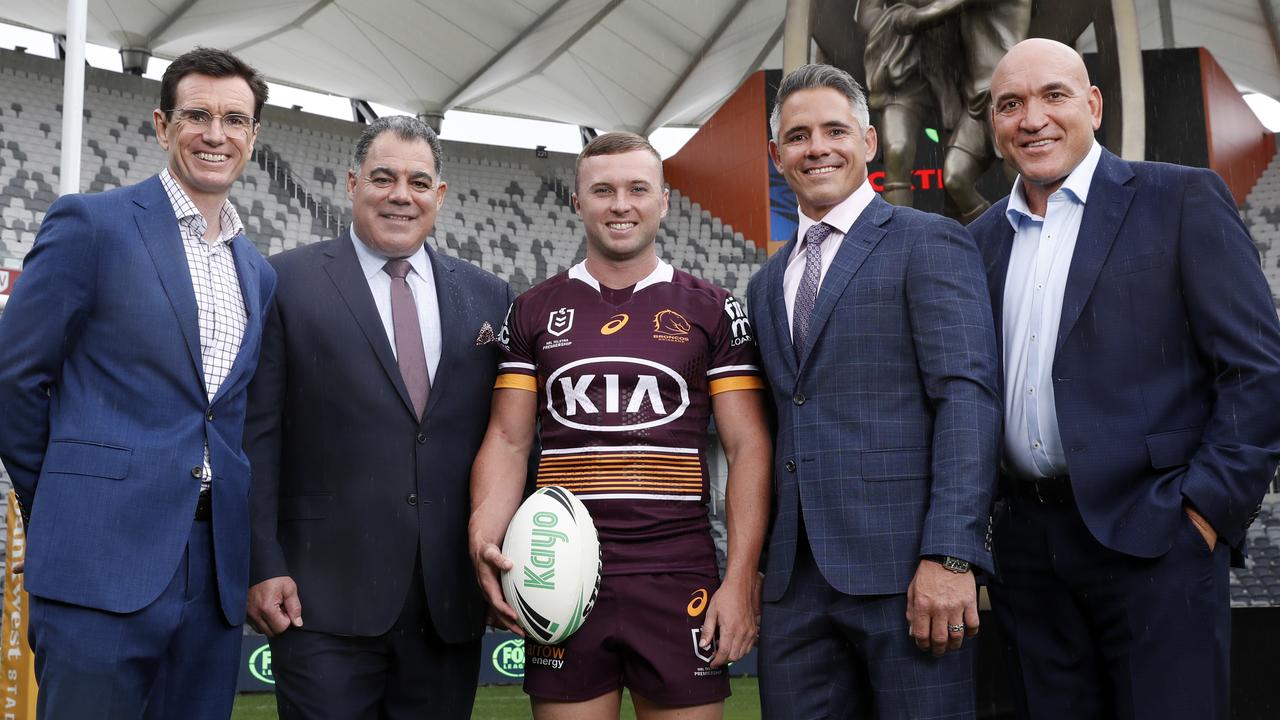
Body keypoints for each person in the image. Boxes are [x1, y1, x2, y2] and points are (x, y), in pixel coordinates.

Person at [968, 38, 1280, 720]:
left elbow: (1257, 369)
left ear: (1094, 105)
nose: (1033, 119)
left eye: (1054, 96)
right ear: (993, 124)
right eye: (1010, 104)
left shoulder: (1181, 199)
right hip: (1029, 555)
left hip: (1158, 543)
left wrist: (1202, 513)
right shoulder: (979, 241)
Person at [0, 48, 276, 718]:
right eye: (197, 115)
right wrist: (66, 501)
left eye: (234, 119)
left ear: (253, 136)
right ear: (161, 125)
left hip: (210, 573)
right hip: (97, 559)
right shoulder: (92, 223)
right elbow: (13, 379)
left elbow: (228, 420)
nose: (216, 134)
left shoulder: (257, 271)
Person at [469, 132, 771, 720]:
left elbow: (748, 445)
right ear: (577, 203)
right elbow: (507, 441)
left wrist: (740, 579)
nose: (620, 204)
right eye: (602, 190)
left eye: (637, 189)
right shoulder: (531, 309)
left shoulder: (713, 309)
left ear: (664, 200)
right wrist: (483, 536)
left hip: (678, 569)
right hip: (557, 569)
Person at [747, 64, 1000, 719]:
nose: (817, 147)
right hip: (795, 588)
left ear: (866, 141)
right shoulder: (765, 283)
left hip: (908, 576)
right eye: (797, 136)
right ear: (777, 156)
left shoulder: (930, 242)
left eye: (834, 130)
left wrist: (950, 553)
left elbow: (966, 400)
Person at [244, 115, 512, 718]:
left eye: (418, 182)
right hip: (319, 601)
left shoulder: (489, 295)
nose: (400, 195)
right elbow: (256, 438)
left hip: (446, 603)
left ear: (439, 195)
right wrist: (262, 562)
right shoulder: (283, 282)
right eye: (383, 178)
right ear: (351, 183)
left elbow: (507, 439)